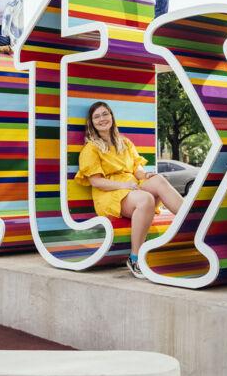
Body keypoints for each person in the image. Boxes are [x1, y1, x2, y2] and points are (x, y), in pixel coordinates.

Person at [74, 101, 183, 278]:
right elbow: (96, 182)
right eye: (97, 116)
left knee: (159, 180)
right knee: (145, 198)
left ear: (111, 116)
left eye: (105, 114)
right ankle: (134, 258)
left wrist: (145, 175)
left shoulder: (124, 142)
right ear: (91, 123)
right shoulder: (91, 148)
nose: (102, 119)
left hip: (131, 186)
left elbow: (137, 170)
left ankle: (194, 221)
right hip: (108, 194)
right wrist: (124, 186)